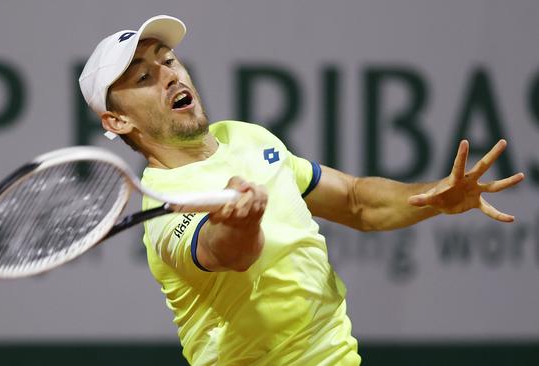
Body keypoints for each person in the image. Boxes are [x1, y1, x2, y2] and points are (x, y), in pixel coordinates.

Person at [78, 15, 525, 366]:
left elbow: (355, 202)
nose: (169, 75)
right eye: (142, 78)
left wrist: (437, 198)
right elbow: (227, 253)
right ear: (118, 122)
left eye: (168, 59)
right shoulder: (163, 209)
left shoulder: (246, 137)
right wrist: (241, 222)